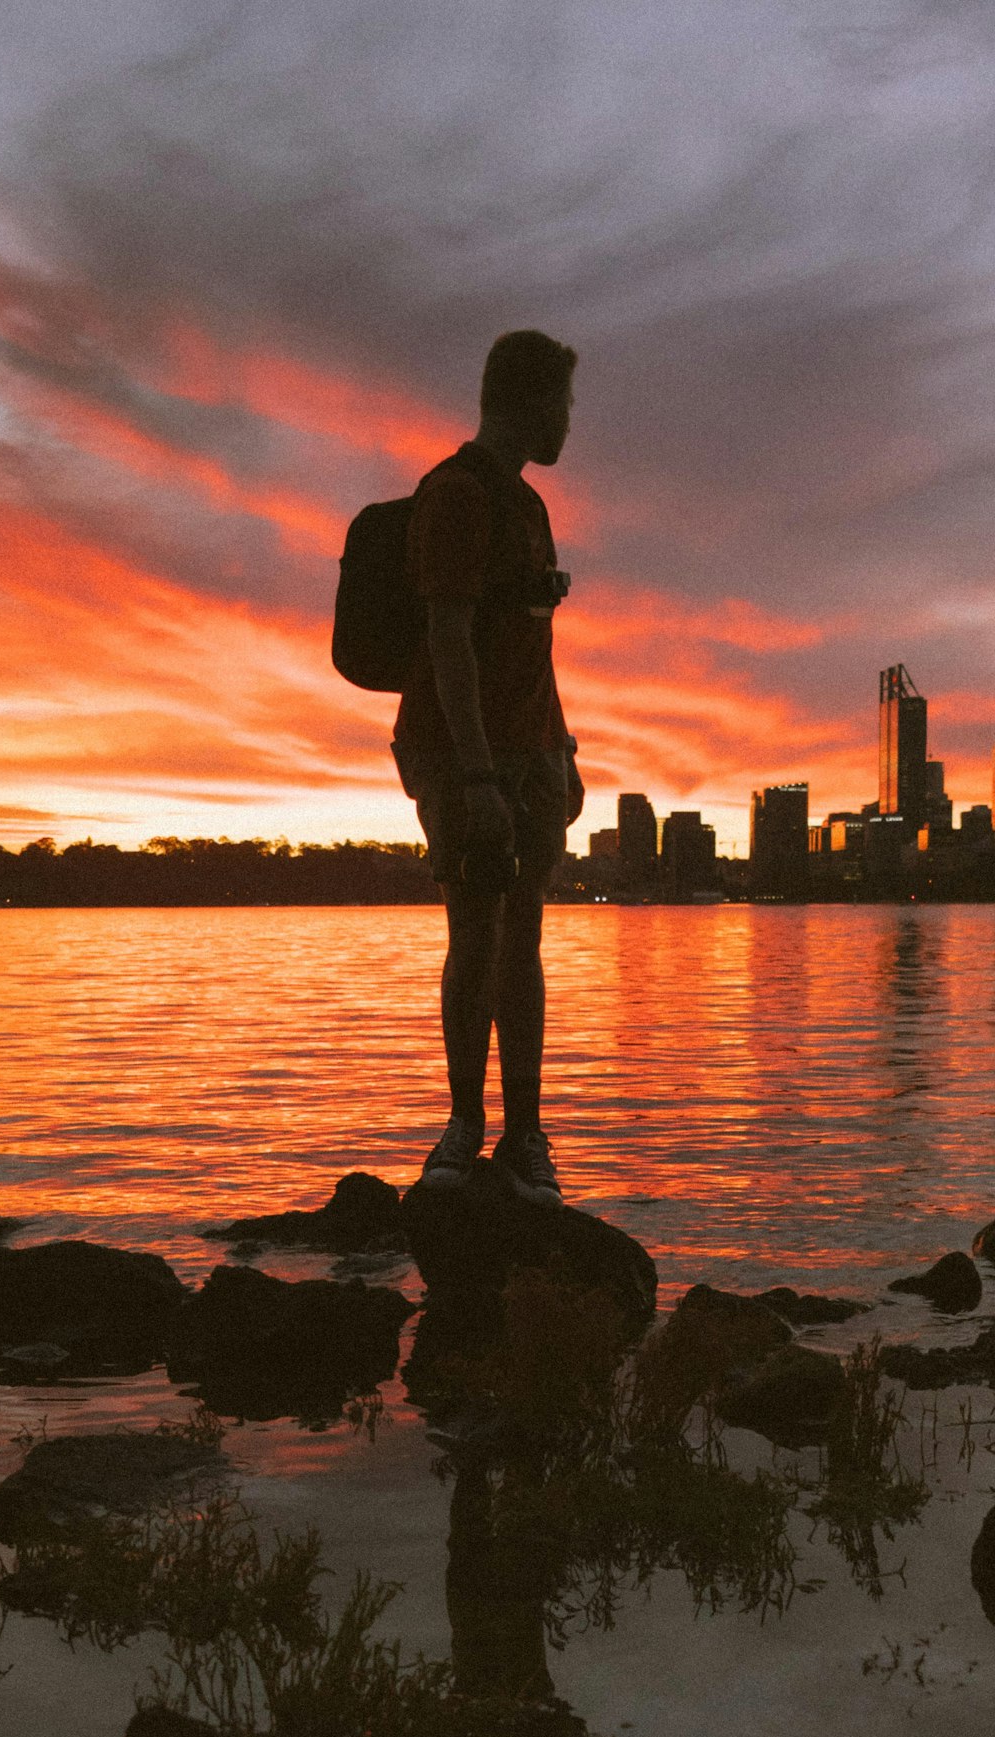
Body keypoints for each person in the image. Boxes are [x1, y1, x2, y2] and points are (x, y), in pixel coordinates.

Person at [392, 329, 584, 1205]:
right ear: (530, 400)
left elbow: (532, 650)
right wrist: (474, 778)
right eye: (565, 405)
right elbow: (447, 639)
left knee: (526, 938)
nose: (569, 424)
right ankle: (463, 1127)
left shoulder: (530, 509)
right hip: (465, 757)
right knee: (475, 932)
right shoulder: (458, 496)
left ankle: (526, 1136)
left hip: (534, 755)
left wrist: (563, 750)